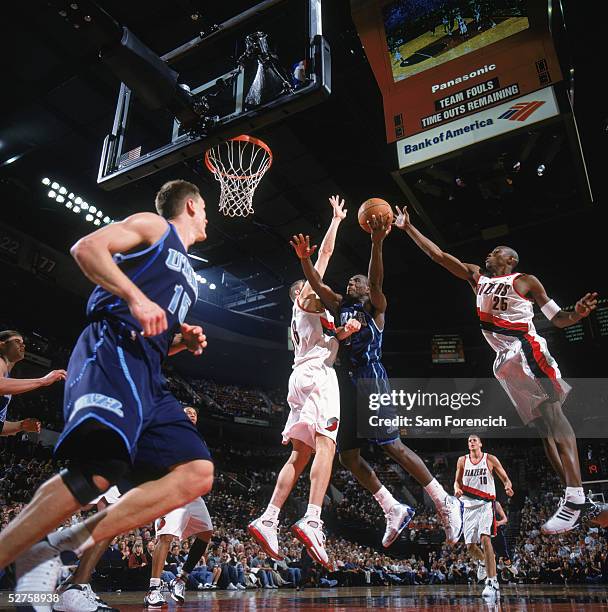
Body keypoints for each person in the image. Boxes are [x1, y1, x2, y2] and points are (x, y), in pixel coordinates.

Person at [0, 180, 214, 597]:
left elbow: (154, 328)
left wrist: (180, 340)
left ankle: (61, 545)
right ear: (191, 205)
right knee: (100, 468)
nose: (207, 217)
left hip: (150, 371)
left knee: (196, 473)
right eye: (205, 209)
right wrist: (135, 297)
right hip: (112, 347)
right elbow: (87, 249)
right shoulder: (155, 226)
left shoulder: (189, 272)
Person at [393, 204, 598, 534]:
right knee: (544, 430)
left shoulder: (525, 281)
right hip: (504, 363)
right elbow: (439, 256)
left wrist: (577, 313)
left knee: (554, 414)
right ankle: (572, 498)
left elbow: (558, 318)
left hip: (525, 348)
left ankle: (576, 496)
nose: (490, 253)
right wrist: (408, 229)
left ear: (511, 260)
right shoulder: (478, 278)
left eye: (497, 251)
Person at [291, 213, 463, 549]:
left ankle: (444, 501)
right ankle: (392, 508)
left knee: (391, 445)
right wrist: (305, 259)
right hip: (347, 382)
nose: (352, 283)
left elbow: (376, 279)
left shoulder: (376, 308)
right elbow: (316, 282)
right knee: (348, 457)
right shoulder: (339, 304)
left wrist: (377, 241)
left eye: (358, 281)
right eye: (351, 281)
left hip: (372, 378)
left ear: (369, 290)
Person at [248, 196, 361, 569]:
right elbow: (323, 257)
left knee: (299, 455)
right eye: (309, 287)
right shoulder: (307, 300)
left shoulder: (315, 319)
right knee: (327, 446)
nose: (316, 289)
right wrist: (336, 220)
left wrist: (343, 331)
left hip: (300, 378)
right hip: (317, 378)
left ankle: (268, 519)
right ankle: (313, 519)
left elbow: (329, 338)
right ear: (301, 294)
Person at [144, 406, 214, 606]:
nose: (191, 414)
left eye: (194, 413)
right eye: (187, 412)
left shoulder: (198, 439)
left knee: (206, 533)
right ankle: (153, 589)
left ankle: (180, 579)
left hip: (193, 494)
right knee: (165, 537)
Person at [454, 434, 513, 600]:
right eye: (469, 441)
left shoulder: (490, 459)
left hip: (487, 504)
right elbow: (457, 482)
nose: (471, 442)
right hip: (469, 507)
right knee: (470, 547)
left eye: (474, 440)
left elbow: (505, 478)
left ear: (480, 443)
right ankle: (483, 561)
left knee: (485, 538)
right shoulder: (462, 460)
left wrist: (508, 487)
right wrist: (457, 489)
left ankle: (492, 582)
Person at [0, 330, 66, 436]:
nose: (23, 344)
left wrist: (20, 425)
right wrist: (42, 381)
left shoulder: (6, 373)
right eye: (17, 341)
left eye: (22, 342)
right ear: (2, 345)